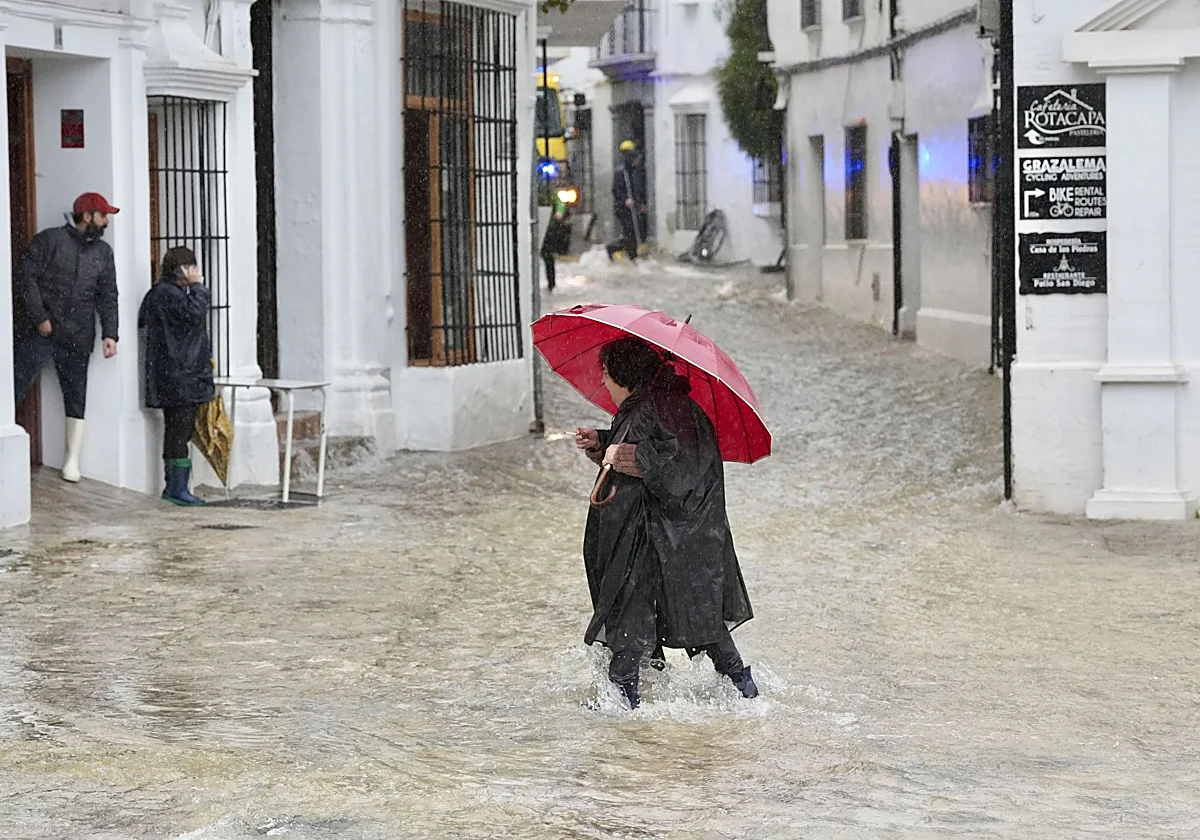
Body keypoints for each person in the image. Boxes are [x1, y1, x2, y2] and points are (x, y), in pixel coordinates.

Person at [573, 336, 757, 709]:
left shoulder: (659, 407)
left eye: (607, 373)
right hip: (666, 539)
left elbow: (679, 466)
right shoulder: (652, 405)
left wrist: (629, 456)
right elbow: (652, 445)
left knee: (643, 615)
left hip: (668, 539)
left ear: (624, 375)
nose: (604, 382)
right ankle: (744, 694)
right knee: (688, 617)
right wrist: (603, 441)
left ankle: (623, 715)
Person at [12, 192, 120, 482]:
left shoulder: (103, 253)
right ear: (88, 216)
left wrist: (111, 333)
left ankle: (72, 461)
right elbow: (26, 279)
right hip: (41, 331)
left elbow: (108, 295)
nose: (107, 222)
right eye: (103, 215)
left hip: (79, 333)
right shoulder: (49, 241)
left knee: (76, 396)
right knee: (15, 383)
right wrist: (40, 318)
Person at [138, 246, 214, 507]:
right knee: (178, 432)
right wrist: (199, 287)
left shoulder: (164, 294)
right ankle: (176, 487)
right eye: (191, 267)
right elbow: (194, 315)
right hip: (181, 375)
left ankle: (177, 485)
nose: (195, 272)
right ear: (182, 269)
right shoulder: (169, 294)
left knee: (178, 431)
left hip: (177, 374)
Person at [605, 140, 648, 264]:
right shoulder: (621, 173)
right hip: (622, 208)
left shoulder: (634, 173)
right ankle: (619, 250)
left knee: (634, 231)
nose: (637, 162)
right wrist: (625, 200)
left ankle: (631, 256)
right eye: (635, 159)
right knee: (630, 231)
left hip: (632, 208)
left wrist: (640, 204)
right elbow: (615, 190)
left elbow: (636, 190)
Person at [540, 190, 571, 292]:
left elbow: (559, 203)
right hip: (542, 229)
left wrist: (559, 212)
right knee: (547, 257)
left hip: (548, 230)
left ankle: (551, 284)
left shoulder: (548, 192)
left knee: (548, 257)